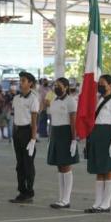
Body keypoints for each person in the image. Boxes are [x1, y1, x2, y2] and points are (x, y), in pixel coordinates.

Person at [84, 74, 111, 214]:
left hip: (108, 136)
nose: (100, 86)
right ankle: (98, 202)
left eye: (103, 83)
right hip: (97, 136)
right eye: (99, 83)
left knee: (109, 169)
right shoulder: (99, 99)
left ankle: (106, 203)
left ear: (110, 85)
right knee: (99, 171)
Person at [47, 78, 79, 209]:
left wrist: (73, 139)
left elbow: (73, 121)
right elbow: (52, 120)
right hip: (56, 133)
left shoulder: (70, 101)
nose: (56, 87)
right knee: (59, 167)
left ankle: (66, 199)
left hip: (66, 133)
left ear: (65, 87)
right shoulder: (54, 101)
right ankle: (61, 197)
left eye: (58, 85)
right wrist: (50, 135)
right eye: (55, 85)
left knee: (66, 166)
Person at [9, 72, 39, 203]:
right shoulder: (16, 98)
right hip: (17, 131)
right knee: (19, 164)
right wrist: (13, 134)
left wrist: (33, 139)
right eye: (20, 80)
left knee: (28, 164)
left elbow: (34, 121)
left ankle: (29, 191)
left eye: (24, 80)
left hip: (27, 131)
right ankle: (21, 191)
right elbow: (15, 117)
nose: (21, 83)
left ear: (30, 83)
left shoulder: (33, 99)